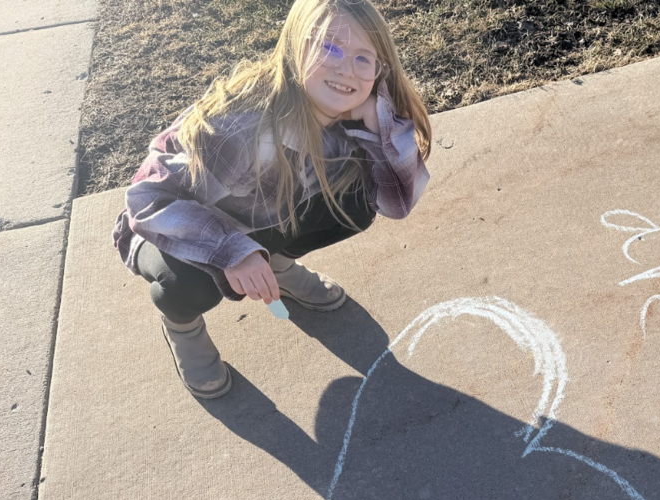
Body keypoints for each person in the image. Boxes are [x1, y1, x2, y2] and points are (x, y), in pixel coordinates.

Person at [112, 0, 431, 398]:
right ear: (296, 46)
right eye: (329, 47)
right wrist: (233, 251)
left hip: (254, 219)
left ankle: (275, 262)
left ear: (380, 71)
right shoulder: (245, 132)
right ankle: (183, 325)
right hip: (166, 226)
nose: (346, 69)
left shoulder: (347, 124)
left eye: (363, 58)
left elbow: (396, 203)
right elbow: (147, 199)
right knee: (190, 285)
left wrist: (378, 124)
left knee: (357, 202)